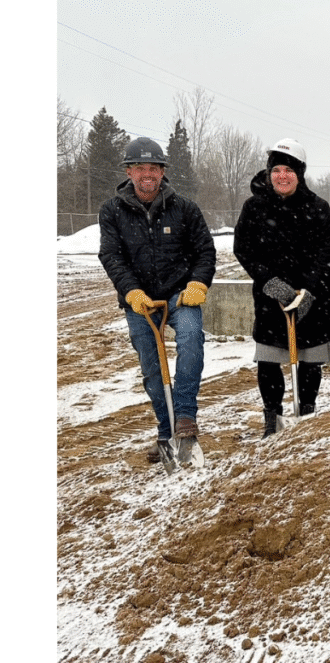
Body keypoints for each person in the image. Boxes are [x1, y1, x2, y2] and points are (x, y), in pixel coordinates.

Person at [98, 137, 215, 467]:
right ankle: (167, 435)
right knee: (152, 368)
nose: (147, 174)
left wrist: (197, 283)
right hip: (139, 299)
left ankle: (186, 421)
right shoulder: (112, 211)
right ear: (129, 171)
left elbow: (205, 251)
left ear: (162, 172)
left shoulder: (185, 208)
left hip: (179, 294)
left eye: (153, 168)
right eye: (139, 168)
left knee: (192, 341)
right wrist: (131, 291)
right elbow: (111, 255)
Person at [234, 138, 330, 437]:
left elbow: (328, 252)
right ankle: (273, 419)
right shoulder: (254, 207)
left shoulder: (318, 208)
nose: (282, 176)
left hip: (311, 298)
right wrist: (271, 282)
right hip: (271, 299)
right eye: (277, 170)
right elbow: (244, 249)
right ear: (269, 173)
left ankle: (306, 414)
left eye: (289, 170)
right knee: (269, 360)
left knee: (309, 360)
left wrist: (307, 290)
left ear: (300, 174)